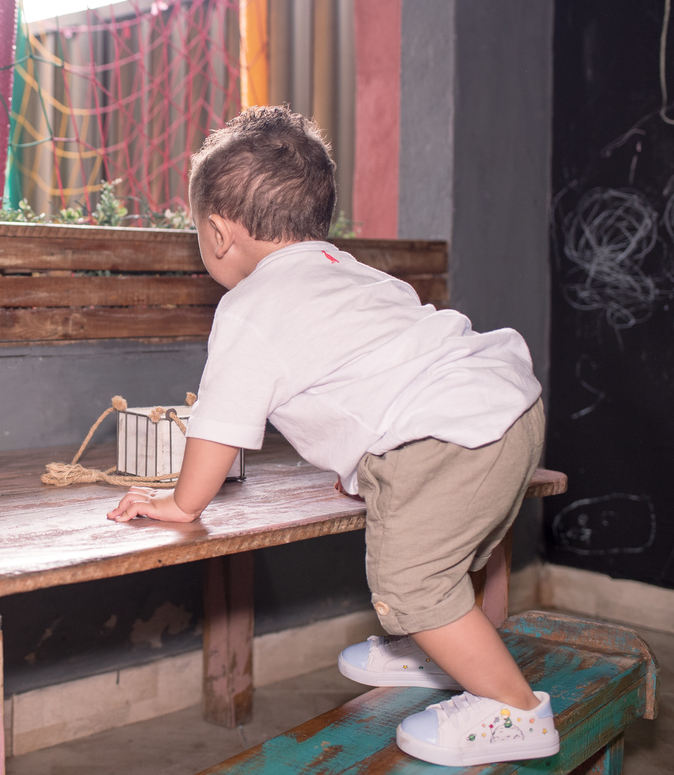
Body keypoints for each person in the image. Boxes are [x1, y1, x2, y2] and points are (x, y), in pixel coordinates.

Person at [106, 105, 558, 767]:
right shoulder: (352, 271)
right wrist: (365, 467)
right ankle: (435, 651)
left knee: (411, 577)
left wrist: (180, 503)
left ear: (218, 233)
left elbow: (217, 427)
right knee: (440, 545)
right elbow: (376, 379)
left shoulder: (250, 307)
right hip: (507, 405)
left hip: (446, 433)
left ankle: (515, 709)